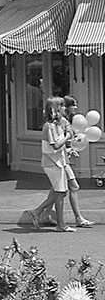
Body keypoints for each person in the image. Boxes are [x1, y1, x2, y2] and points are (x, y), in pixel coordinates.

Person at [25, 97, 78, 232]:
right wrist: (67, 136)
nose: (64, 108)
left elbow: (63, 144)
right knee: (60, 193)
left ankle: (37, 212)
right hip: (52, 163)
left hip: (58, 162)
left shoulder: (58, 125)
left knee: (59, 192)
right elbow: (55, 146)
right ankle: (60, 225)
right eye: (61, 105)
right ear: (55, 109)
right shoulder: (49, 126)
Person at [60, 96, 95, 227]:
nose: (76, 107)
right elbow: (58, 140)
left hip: (64, 159)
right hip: (59, 160)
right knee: (72, 187)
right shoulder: (62, 122)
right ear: (68, 106)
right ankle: (78, 218)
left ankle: (40, 213)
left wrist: (71, 148)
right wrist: (67, 149)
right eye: (74, 105)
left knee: (57, 192)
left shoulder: (71, 120)